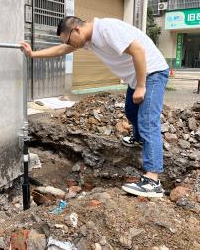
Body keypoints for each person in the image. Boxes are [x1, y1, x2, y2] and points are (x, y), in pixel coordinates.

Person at [21, 16, 169, 198]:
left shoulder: (106, 29)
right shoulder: (89, 39)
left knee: (147, 121)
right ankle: (139, 139)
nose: (70, 44)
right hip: (135, 76)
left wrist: (141, 86)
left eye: (68, 39)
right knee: (131, 111)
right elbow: (62, 49)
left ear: (76, 30)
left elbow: (138, 50)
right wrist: (33, 54)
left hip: (152, 72)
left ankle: (153, 180)